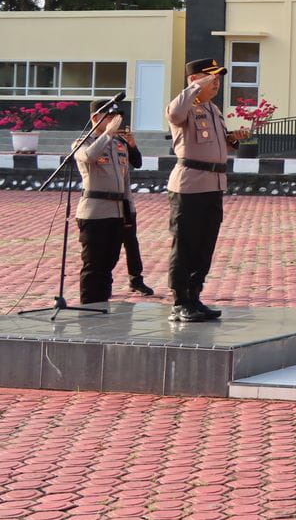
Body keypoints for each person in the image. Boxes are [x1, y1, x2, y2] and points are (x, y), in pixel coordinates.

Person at [167, 58, 248, 323]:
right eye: (210, 78)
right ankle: (179, 301)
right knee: (186, 244)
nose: (216, 83)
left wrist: (233, 138)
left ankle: (194, 295)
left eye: (218, 79)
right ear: (194, 80)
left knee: (205, 245)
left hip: (213, 184)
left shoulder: (213, 109)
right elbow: (174, 115)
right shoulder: (185, 106)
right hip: (189, 185)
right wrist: (193, 88)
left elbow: (219, 144)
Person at [73, 99, 151, 304]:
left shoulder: (119, 145)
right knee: (93, 265)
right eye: (109, 117)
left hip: (117, 212)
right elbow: (89, 157)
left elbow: (125, 180)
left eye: (117, 118)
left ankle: (102, 306)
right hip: (95, 212)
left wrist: (128, 212)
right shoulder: (84, 142)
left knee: (109, 263)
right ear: (95, 118)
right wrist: (107, 133)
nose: (115, 121)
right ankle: (89, 309)